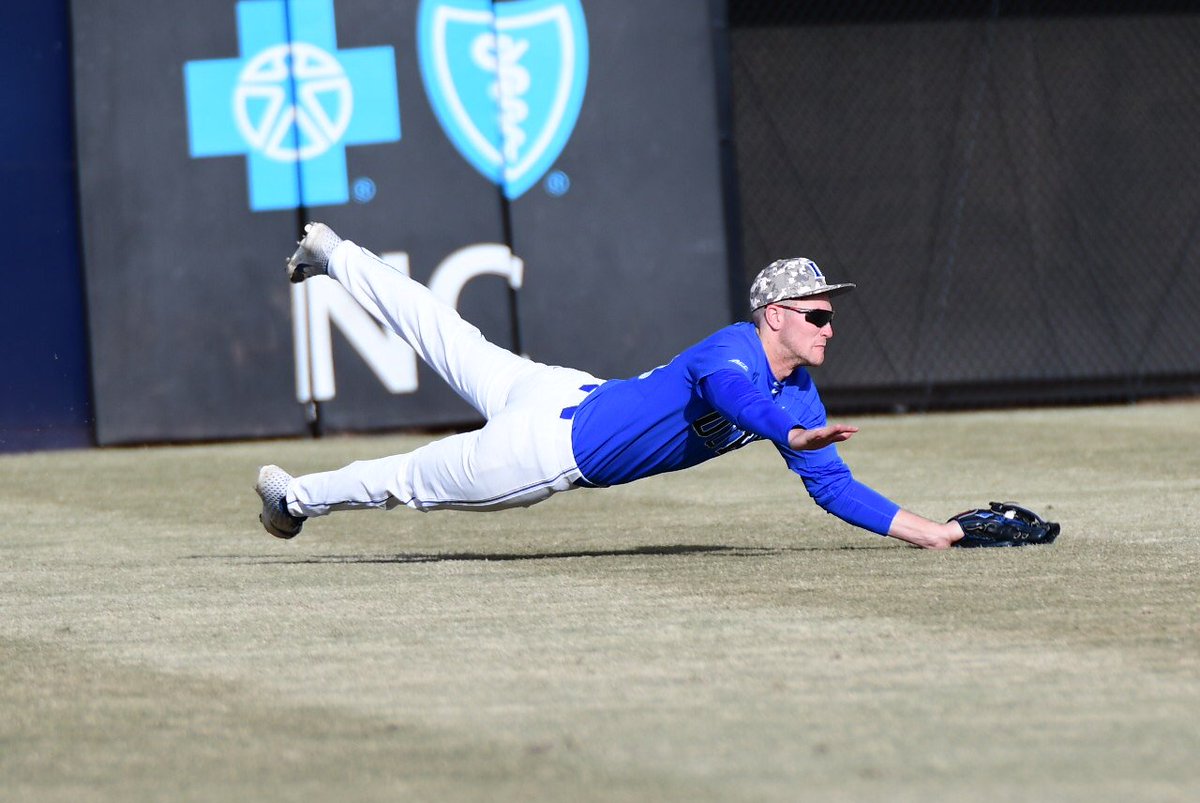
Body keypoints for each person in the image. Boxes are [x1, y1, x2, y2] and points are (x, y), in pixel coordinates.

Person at [256, 223, 965, 549]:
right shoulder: (733, 353)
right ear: (774, 315)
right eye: (816, 313)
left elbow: (833, 487)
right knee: (408, 477)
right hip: (542, 450)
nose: (829, 325)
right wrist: (788, 433)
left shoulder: (799, 393)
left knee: (449, 335)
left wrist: (929, 532)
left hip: (560, 390)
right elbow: (729, 397)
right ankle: (291, 500)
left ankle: (336, 254)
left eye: (831, 313)